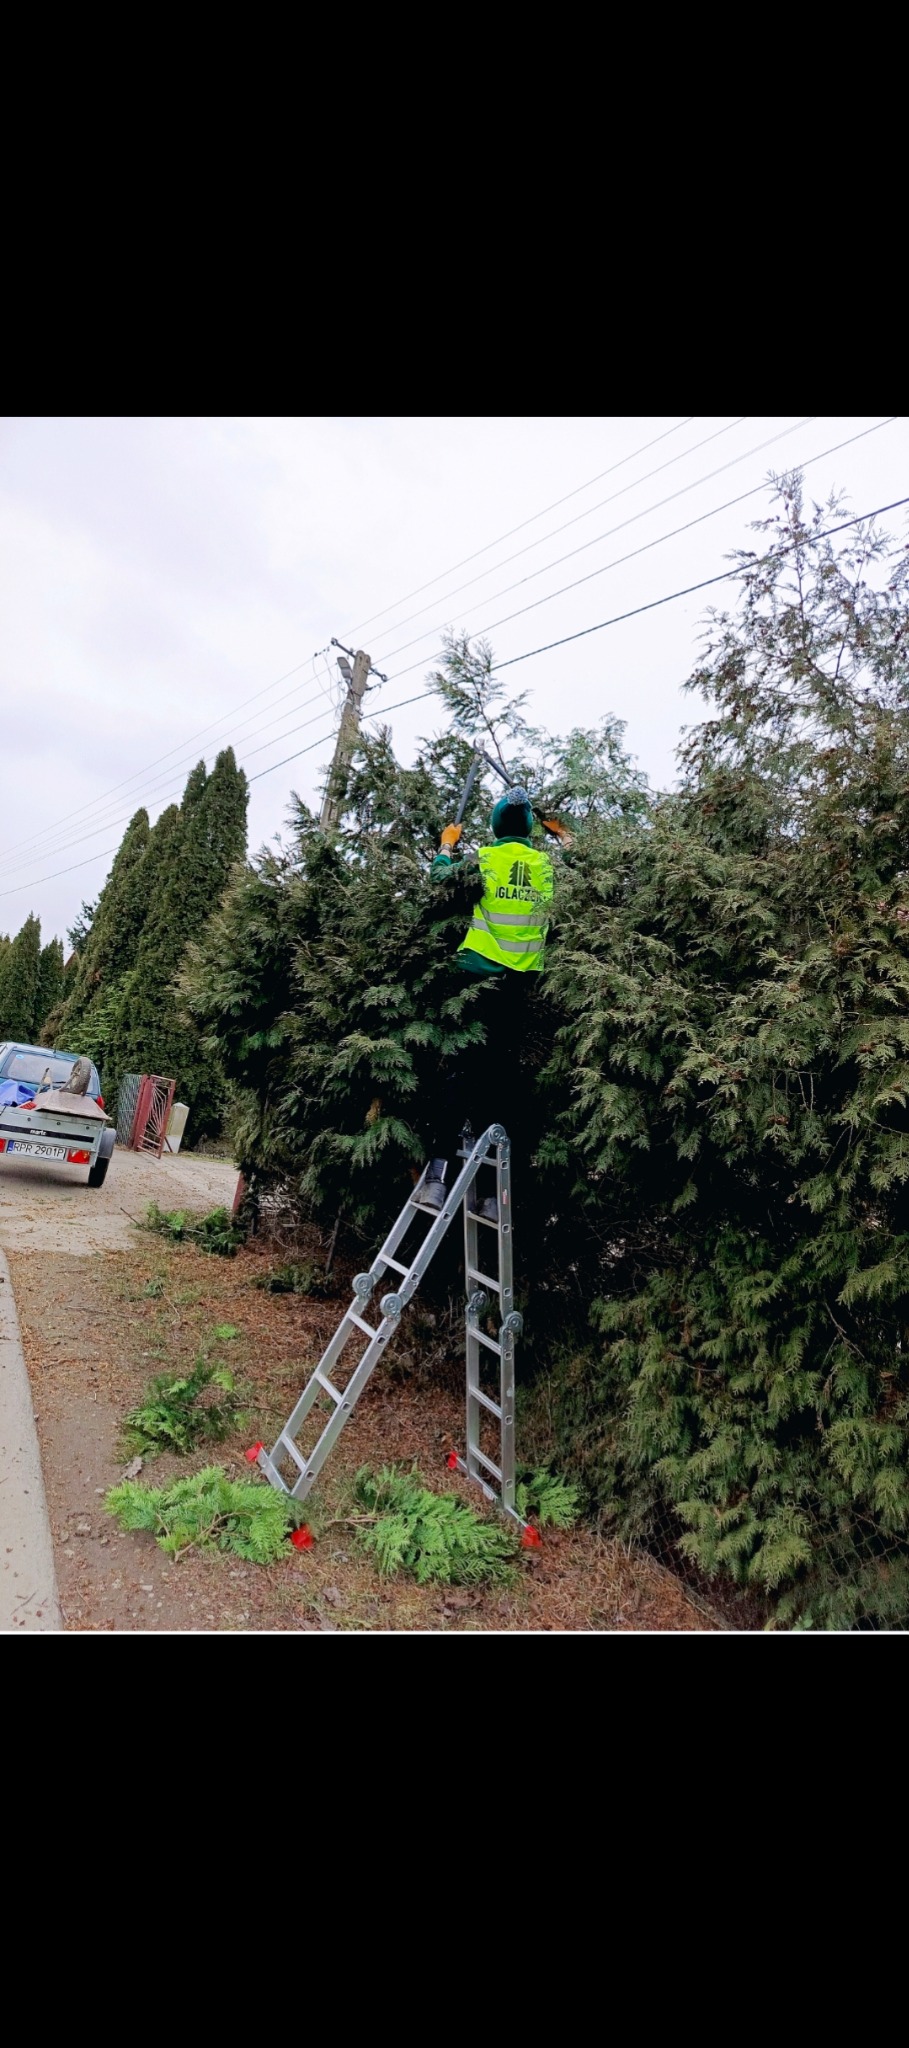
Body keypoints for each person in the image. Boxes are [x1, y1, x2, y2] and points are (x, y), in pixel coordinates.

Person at [416, 789, 554, 1215]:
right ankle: (495, 1197)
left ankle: (437, 1179)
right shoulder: (545, 865)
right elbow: (582, 862)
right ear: (531, 829)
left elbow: (441, 880)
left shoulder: (485, 859)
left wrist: (446, 845)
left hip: (477, 977)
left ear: (494, 825)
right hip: (519, 984)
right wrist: (563, 832)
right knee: (503, 1080)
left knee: (461, 1071)